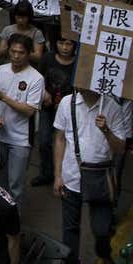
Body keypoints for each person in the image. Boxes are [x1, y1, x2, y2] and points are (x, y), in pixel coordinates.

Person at [53, 83, 132, 264]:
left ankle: (104, 255)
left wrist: (106, 130)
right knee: (70, 229)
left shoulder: (112, 107)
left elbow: (120, 149)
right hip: (71, 177)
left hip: (99, 178)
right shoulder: (67, 103)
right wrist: (58, 175)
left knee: (102, 229)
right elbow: (59, 138)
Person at [0, 34, 44, 202]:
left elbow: (29, 110)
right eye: (13, 51)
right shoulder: (0, 70)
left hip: (20, 140)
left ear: (28, 54)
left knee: (15, 185)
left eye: (20, 52)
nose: (15, 56)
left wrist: (5, 98)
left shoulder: (36, 79)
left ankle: (14, 223)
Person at [32, 35, 79, 188]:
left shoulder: (78, 64)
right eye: (61, 42)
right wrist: (44, 92)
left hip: (68, 111)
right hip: (48, 107)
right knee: (44, 141)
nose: (65, 47)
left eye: (69, 43)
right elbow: (37, 78)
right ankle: (46, 172)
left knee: (65, 143)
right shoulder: (47, 58)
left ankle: (63, 174)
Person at [0, 1, 46, 65]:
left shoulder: (36, 33)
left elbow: (38, 57)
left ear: (29, 17)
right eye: (18, 17)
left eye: (24, 17)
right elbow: (0, 51)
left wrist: (22, 52)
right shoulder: (8, 30)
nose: (20, 20)